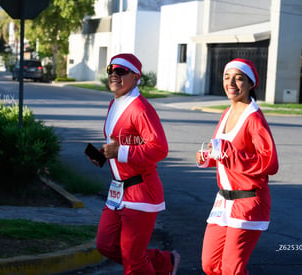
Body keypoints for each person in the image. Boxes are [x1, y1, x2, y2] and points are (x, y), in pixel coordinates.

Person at [93, 53, 180, 275]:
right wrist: (104, 155)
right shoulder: (115, 102)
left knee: (133, 259)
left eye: (121, 71)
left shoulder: (140, 108)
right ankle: (165, 263)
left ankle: (162, 264)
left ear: (136, 76)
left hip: (141, 192)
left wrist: (120, 152)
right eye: (111, 70)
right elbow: (120, 142)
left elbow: (159, 148)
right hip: (118, 191)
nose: (114, 75)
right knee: (106, 244)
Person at [196, 58, 279, 275]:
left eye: (239, 78)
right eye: (227, 77)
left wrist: (227, 153)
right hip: (223, 201)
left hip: (248, 201)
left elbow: (269, 162)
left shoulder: (254, 119)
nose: (231, 82)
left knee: (232, 269)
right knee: (211, 265)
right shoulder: (226, 113)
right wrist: (208, 157)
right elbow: (222, 152)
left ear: (251, 84)